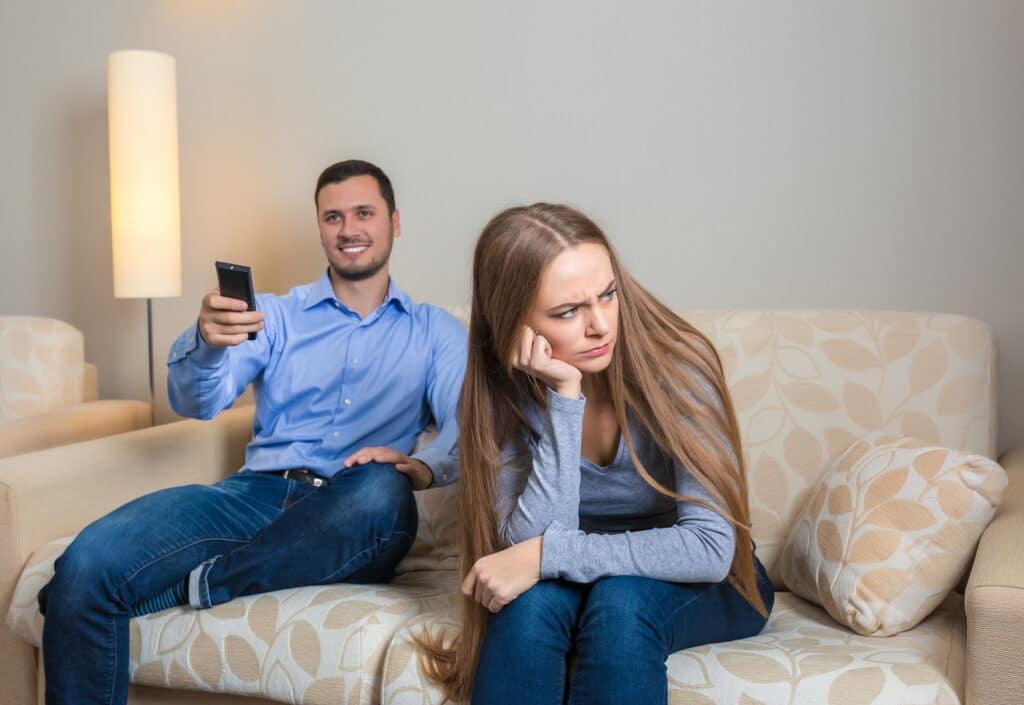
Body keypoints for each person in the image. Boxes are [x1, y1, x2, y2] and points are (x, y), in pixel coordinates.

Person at [37, 159, 467, 705]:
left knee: (384, 489)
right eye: (333, 217)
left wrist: (425, 466)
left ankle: (198, 584)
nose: (349, 229)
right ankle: (208, 576)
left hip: (353, 511)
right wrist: (208, 342)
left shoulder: (434, 332)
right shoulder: (276, 316)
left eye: (364, 213)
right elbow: (197, 402)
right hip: (253, 496)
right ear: (320, 228)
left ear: (394, 222)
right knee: (83, 566)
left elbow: (467, 423)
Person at [420, 203, 774, 705]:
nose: (601, 325)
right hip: (574, 574)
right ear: (514, 323)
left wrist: (551, 555)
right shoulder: (501, 395)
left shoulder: (680, 368)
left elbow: (711, 548)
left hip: (709, 580)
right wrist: (564, 399)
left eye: (607, 295)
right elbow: (522, 545)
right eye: (568, 312)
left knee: (620, 603)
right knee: (526, 610)